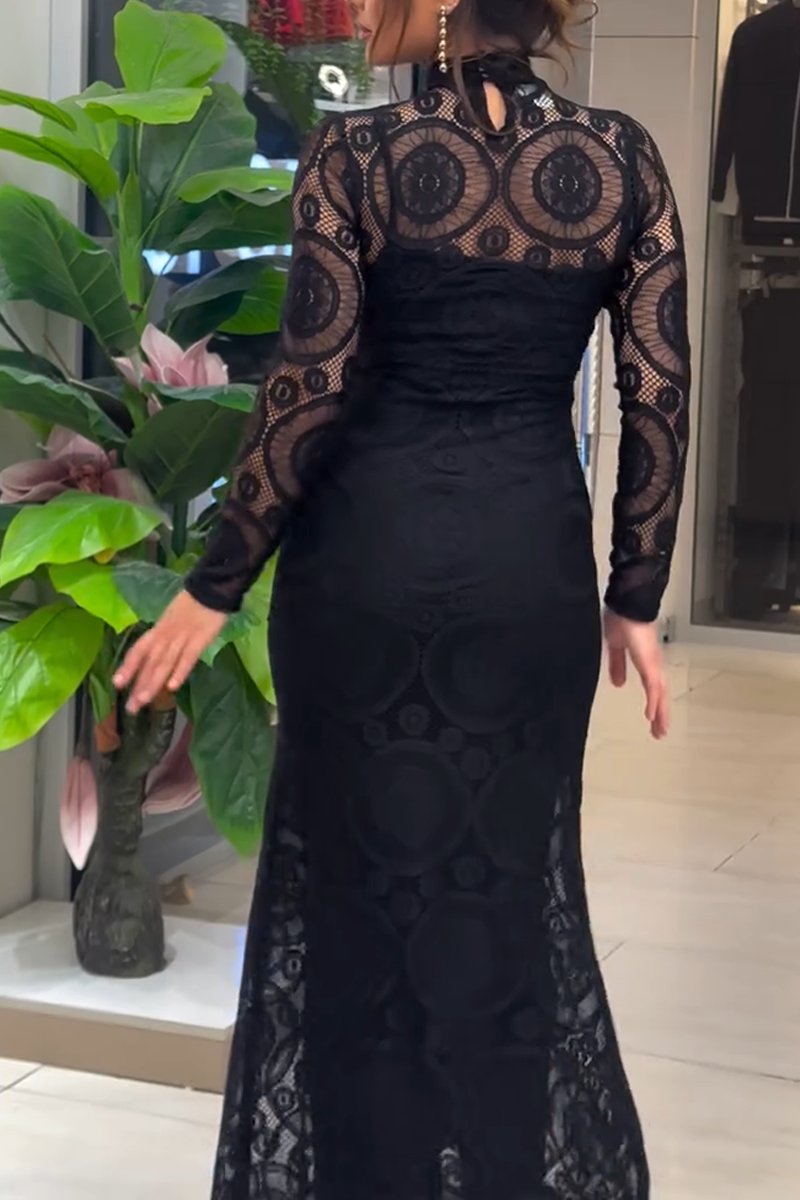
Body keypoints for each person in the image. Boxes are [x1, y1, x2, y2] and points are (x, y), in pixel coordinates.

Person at [115, 0, 689, 1193]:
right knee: (506, 898)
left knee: (357, 903)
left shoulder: (356, 153)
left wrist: (215, 584)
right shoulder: (621, 158)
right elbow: (656, 390)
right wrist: (633, 591)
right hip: (527, 575)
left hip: (364, 573)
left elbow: (308, 384)